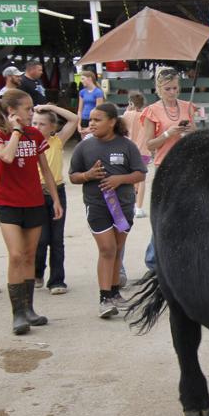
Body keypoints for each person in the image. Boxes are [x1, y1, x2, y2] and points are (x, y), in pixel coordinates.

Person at [69, 103, 147, 318]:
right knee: (107, 248)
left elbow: (140, 173)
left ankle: (114, 292)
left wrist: (119, 179)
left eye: (97, 119)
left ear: (112, 122)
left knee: (117, 248)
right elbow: (73, 176)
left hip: (122, 205)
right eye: (90, 120)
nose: (91, 123)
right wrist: (87, 176)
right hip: (96, 205)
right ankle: (104, 298)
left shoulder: (127, 146)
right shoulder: (84, 147)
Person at [0, 89, 63, 335]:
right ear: (12, 112)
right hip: (7, 202)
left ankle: (29, 309)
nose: (32, 113)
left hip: (34, 200)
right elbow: (7, 157)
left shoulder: (35, 134)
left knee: (29, 255)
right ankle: (18, 314)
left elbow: (45, 170)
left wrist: (55, 199)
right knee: (15, 254)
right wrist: (15, 131)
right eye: (28, 109)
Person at [138, 68, 196, 281]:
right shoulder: (152, 111)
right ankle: (153, 259)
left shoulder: (187, 106)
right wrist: (167, 133)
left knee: (186, 211)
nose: (172, 92)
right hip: (165, 163)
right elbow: (149, 144)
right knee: (165, 212)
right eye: (168, 88)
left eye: (175, 88)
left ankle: (181, 256)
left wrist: (190, 131)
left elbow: (195, 133)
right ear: (159, 88)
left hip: (187, 163)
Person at [32, 103, 79, 295]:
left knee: (57, 239)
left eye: (42, 124)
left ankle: (57, 280)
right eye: (34, 123)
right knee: (40, 239)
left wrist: (49, 106)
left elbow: (74, 119)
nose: (37, 127)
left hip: (57, 191)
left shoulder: (57, 140)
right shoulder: (27, 142)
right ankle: (37, 273)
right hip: (35, 193)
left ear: (53, 127)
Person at [121, 92, 150, 218]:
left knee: (129, 178)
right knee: (141, 179)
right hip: (143, 150)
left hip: (129, 150)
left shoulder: (126, 115)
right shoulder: (146, 115)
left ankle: (130, 205)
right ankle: (139, 207)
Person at [76, 71, 105, 139]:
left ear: (89, 79)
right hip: (84, 119)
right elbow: (80, 110)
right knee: (84, 141)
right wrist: (78, 124)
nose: (81, 81)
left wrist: (90, 127)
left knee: (93, 139)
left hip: (93, 120)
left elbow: (98, 111)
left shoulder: (98, 92)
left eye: (83, 79)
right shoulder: (82, 92)